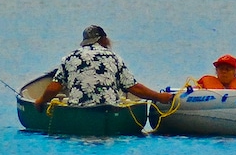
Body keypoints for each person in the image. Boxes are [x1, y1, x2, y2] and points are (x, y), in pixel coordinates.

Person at [35, 25, 175, 108]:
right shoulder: (113, 57)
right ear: (103, 39)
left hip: (79, 110)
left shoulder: (70, 57)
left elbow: (54, 88)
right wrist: (160, 97)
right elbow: (133, 88)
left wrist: (40, 101)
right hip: (109, 108)